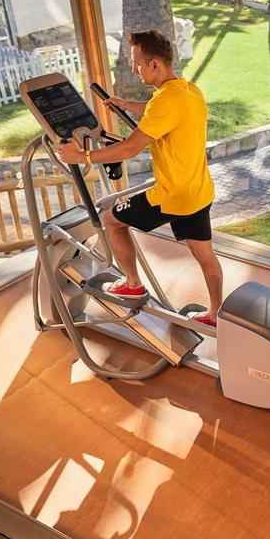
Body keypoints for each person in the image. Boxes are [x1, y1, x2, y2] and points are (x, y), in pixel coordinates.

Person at [58, 29, 222, 327]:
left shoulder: (164, 102)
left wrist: (82, 157)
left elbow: (131, 147)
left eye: (137, 62)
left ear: (155, 64)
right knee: (205, 255)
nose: (134, 68)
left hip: (172, 197)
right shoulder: (188, 91)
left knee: (111, 218)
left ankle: (132, 283)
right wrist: (125, 104)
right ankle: (215, 315)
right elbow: (156, 111)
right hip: (198, 191)